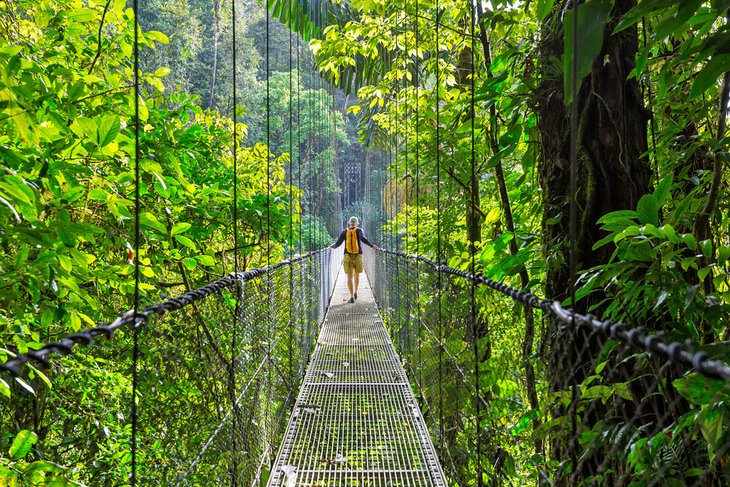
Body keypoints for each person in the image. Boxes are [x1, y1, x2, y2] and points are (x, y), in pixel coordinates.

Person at [331, 216, 379, 303]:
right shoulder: (359, 230)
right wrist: (372, 245)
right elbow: (363, 239)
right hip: (358, 255)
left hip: (347, 255)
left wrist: (331, 247)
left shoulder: (345, 231)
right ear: (356, 223)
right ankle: (356, 292)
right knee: (357, 275)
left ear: (349, 223)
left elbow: (338, 243)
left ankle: (352, 296)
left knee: (349, 277)